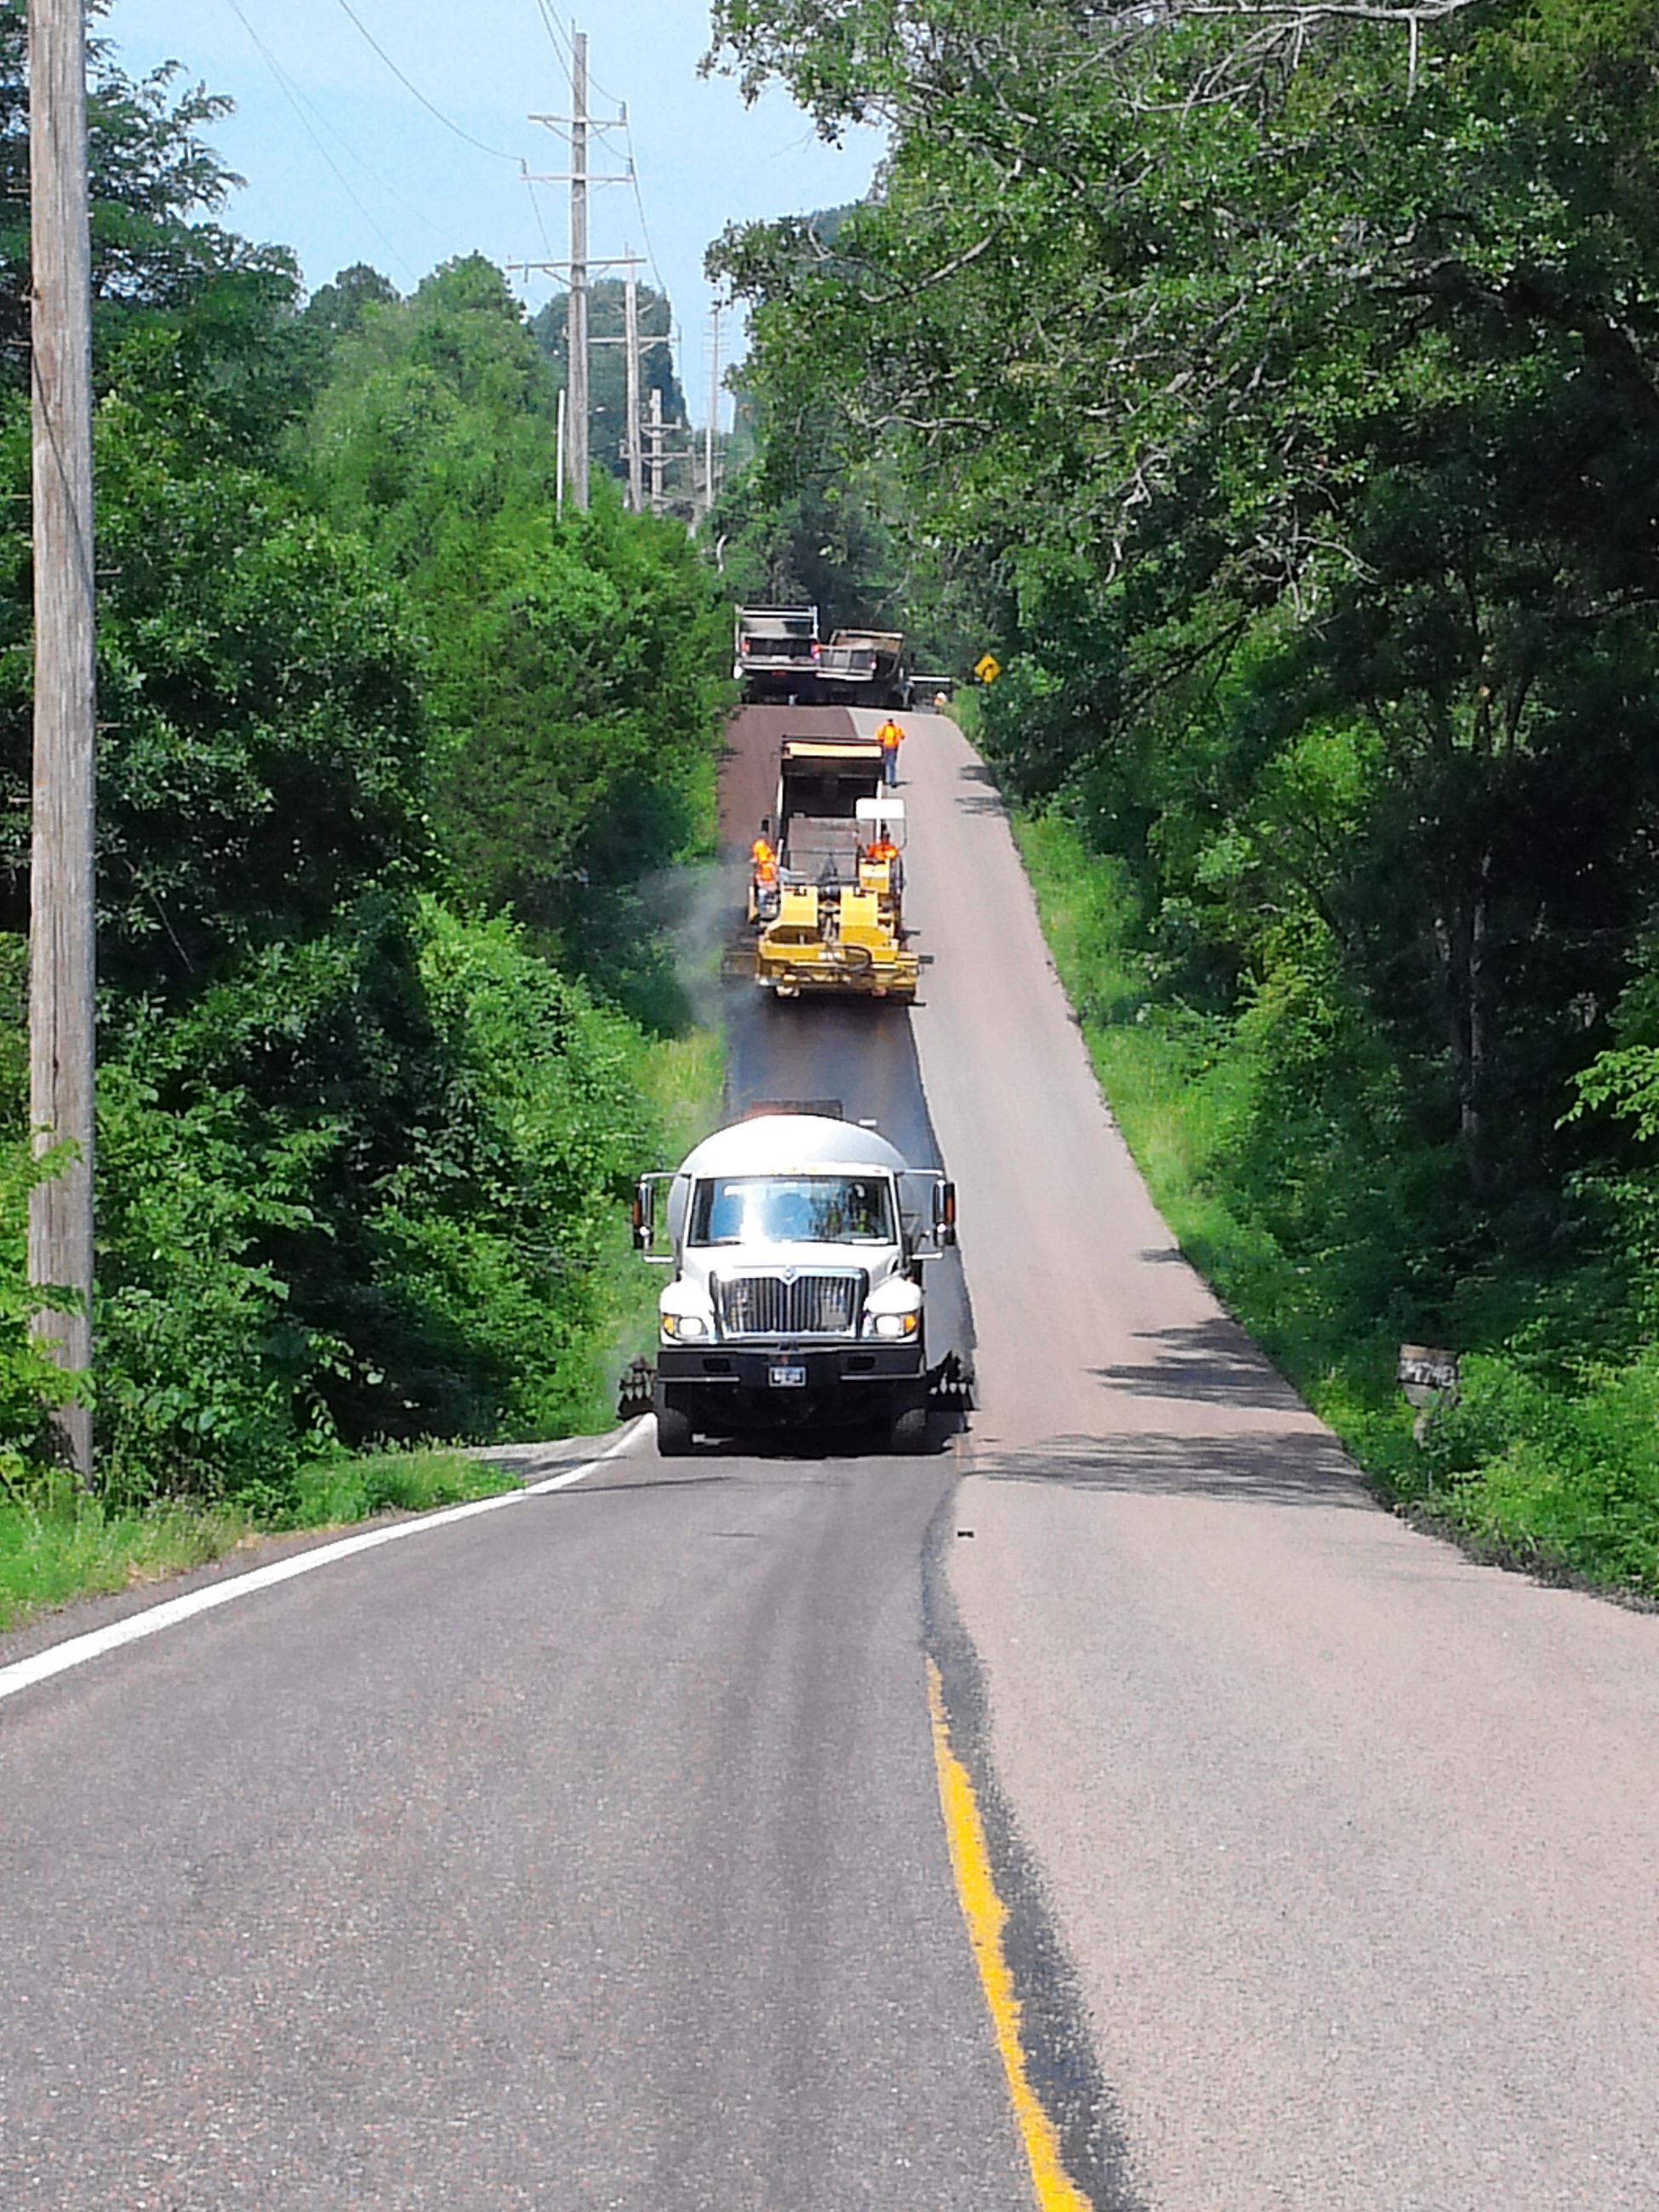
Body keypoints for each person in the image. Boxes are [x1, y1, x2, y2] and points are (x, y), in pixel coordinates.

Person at [875, 717, 904, 787]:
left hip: (893, 748)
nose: (890, 722)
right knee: (883, 764)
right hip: (885, 747)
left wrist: (900, 736)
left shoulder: (896, 728)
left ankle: (892, 781)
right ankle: (883, 779)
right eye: (889, 720)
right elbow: (878, 736)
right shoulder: (884, 728)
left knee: (891, 765)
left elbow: (902, 736)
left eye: (891, 721)